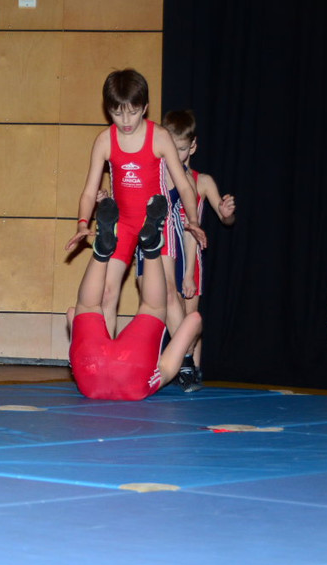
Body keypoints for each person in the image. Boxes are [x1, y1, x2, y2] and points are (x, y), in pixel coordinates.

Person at [65, 68, 207, 337]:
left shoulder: (159, 137)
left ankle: (184, 355)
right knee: (106, 293)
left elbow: (185, 185)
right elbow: (89, 192)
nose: (126, 120)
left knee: (167, 292)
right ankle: (106, 354)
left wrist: (193, 220)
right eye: (118, 113)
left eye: (132, 112)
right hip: (124, 224)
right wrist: (83, 224)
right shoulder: (105, 141)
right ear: (108, 110)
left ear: (145, 107)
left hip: (157, 221)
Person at [67, 194, 202, 400]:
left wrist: (195, 330)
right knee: (87, 306)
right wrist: (78, 334)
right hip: (91, 372)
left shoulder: (150, 380)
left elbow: (194, 319)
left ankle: (152, 250)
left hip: (134, 373)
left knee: (152, 308)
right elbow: (72, 313)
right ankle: (100, 254)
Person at [159, 109, 237, 391]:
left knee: (190, 317)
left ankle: (193, 369)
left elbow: (226, 219)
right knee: (170, 312)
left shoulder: (202, 181)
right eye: (171, 148)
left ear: (193, 146)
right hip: (166, 248)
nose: (176, 154)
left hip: (190, 255)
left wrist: (226, 213)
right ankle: (184, 367)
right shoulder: (160, 176)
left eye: (181, 149)